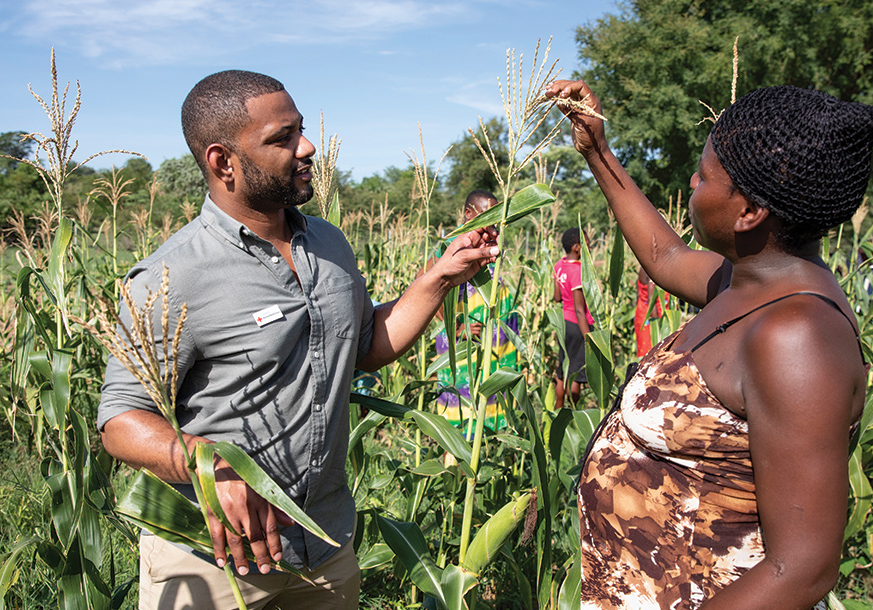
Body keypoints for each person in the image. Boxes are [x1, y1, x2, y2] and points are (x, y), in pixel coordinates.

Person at [97, 70, 498, 610]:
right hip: (217, 565)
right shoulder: (174, 275)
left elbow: (365, 347)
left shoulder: (329, 244)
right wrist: (210, 465)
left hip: (326, 548)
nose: (307, 148)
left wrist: (440, 276)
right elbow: (120, 421)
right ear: (222, 162)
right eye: (281, 138)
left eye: (301, 130)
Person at [547, 80, 873, 609]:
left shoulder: (795, 337)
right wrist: (598, 151)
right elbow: (666, 257)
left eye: (705, 176)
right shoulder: (745, 281)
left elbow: (802, 570)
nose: (693, 181)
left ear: (749, 212)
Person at [432, 190, 520, 438]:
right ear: (468, 214)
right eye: (487, 216)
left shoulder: (489, 242)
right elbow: (427, 284)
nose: (493, 225)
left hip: (492, 344)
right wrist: (456, 328)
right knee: (461, 413)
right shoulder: (452, 246)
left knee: (491, 409)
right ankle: (457, 470)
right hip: (463, 344)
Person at [553, 228, 594, 409]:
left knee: (563, 369)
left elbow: (556, 297)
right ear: (577, 247)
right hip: (578, 326)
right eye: (587, 243)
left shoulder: (559, 265)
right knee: (576, 373)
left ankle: (558, 405)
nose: (590, 247)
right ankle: (574, 411)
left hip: (563, 324)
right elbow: (579, 310)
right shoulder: (578, 271)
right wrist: (589, 339)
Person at [633, 266, 666, 357]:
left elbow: (638, 293)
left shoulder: (643, 266)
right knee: (652, 353)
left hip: (642, 312)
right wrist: (657, 327)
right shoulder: (652, 270)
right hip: (650, 317)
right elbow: (652, 301)